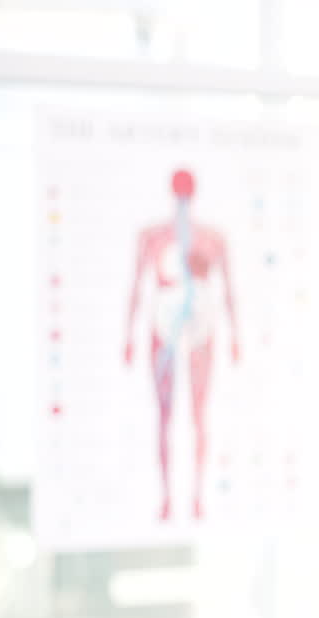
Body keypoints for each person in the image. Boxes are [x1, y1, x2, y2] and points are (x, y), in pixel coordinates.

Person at [125, 168, 240, 521]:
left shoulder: (212, 239)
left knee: (198, 415)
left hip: (201, 329)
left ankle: (197, 498)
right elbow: (137, 286)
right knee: (165, 416)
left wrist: (236, 336)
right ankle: (167, 498)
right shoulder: (152, 237)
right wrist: (128, 335)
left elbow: (228, 290)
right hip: (164, 327)